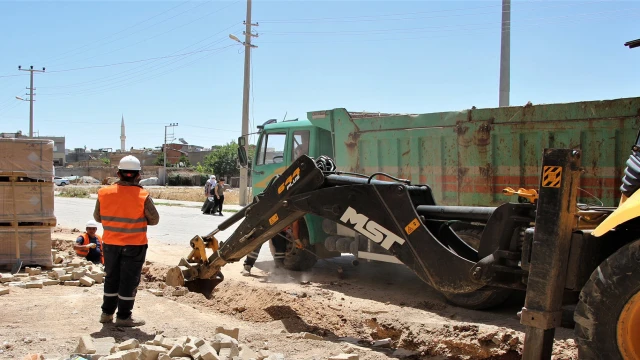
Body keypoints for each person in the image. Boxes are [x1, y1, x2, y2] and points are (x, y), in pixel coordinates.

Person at [93, 155, 159, 327]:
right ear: (138, 175)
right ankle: (123, 316)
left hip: (110, 244)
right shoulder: (142, 195)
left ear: (118, 173)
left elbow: (97, 217)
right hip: (134, 245)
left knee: (111, 277)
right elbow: (154, 220)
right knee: (128, 280)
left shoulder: (104, 193)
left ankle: (106, 314)